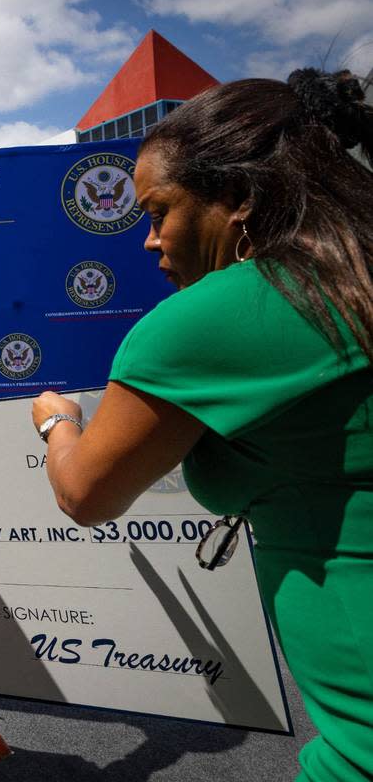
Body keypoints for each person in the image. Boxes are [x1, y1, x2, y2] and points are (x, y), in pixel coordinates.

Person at [31, 69, 373, 780]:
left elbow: (85, 494)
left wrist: (56, 423)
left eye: (160, 213)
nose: (150, 243)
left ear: (240, 198)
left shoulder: (206, 320)